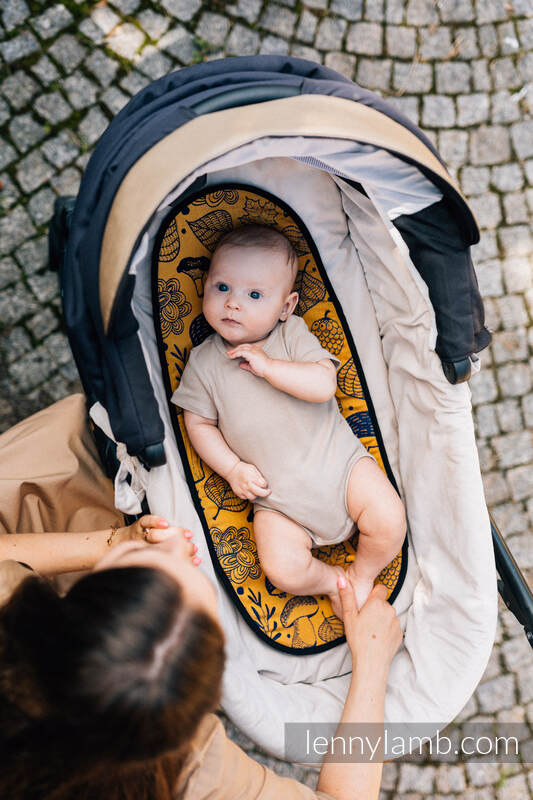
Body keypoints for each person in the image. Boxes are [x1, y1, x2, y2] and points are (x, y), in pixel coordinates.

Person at [0, 524, 403, 800]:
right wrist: (370, 664)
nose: (178, 544)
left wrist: (115, 542)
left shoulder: (12, 620)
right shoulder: (198, 766)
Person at [172, 224, 406, 613]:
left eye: (254, 295)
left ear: (285, 306)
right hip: (276, 502)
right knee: (281, 569)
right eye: (222, 288)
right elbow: (198, 425)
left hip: (340, 468)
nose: (233, 304)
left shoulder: (290, 335)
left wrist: (269, 368)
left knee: (389, 518)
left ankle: (362, 575)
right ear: (205, 286)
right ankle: (332, 581)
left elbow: (323, 384)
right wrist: (232, 469)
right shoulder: (202, 363)